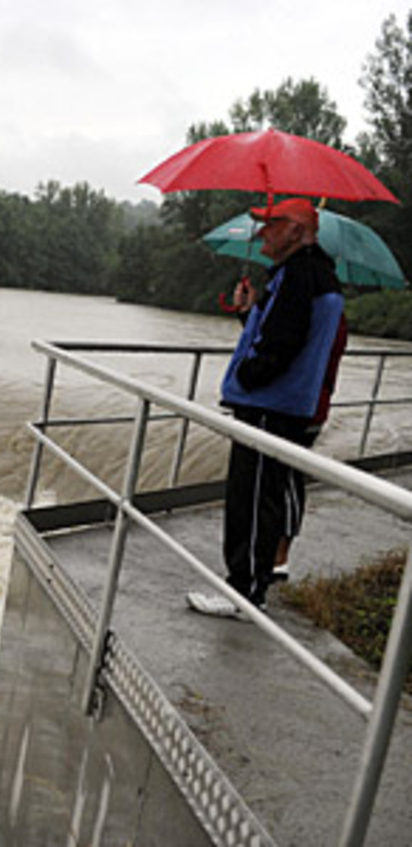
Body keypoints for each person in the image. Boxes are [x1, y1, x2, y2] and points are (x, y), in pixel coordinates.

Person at [187, 197, 347, 619]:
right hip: (282, 405)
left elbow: (281, 344)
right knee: (263, 497)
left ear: (297, 230)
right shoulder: (314, 276)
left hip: (270, 407)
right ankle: (249, 586)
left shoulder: (298, 276)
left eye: (271, 225)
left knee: (253, 500)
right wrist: (250, 312)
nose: (262, 233)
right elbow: (284, 333)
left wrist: (247, 376)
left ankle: (244, 593)